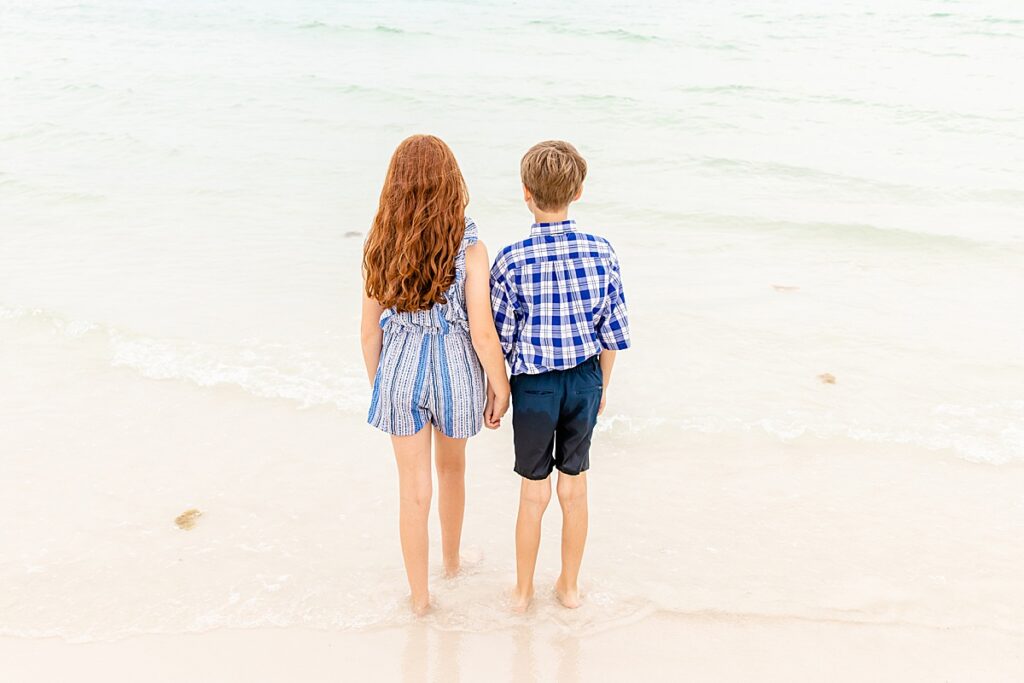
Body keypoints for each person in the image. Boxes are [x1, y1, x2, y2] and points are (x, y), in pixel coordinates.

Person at [361, 134, 510, 615]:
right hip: (456, 371)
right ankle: (450, 562)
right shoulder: (471, 249)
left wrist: (381, 385)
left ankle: (420, 599)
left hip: (400, 367)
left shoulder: (379, 242)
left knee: (412, 487)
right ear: (452, 183)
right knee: (452, 470)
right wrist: (500, 385)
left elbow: (368, 332)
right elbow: (484, 333)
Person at [490, 140, 631, 611]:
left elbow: (503, 338)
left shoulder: (510, 258)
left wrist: (497, 390)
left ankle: (522, 592)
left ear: (525, 192)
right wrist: (602, 386)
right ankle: (569, 588)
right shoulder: (601, 251)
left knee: (534, 493)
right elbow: (612, 330)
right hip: (585, 379)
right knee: (575, 485)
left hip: (535, 386)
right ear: (580, 191)